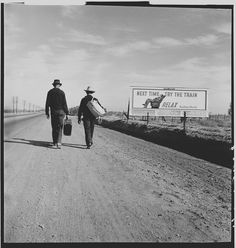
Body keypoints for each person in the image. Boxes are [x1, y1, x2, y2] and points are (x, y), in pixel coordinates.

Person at [45, 79, 69, 149]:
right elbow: (64, 104)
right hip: (61, 112)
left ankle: (55, 143)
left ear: (53, 85)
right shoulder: (62, 92)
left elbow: (47, 103)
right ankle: (59, 142)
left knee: (54, 127)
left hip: (54, 112)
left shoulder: (50, 92)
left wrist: (47, 112)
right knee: (60, 127)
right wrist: (67, 113)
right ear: (59, 85)